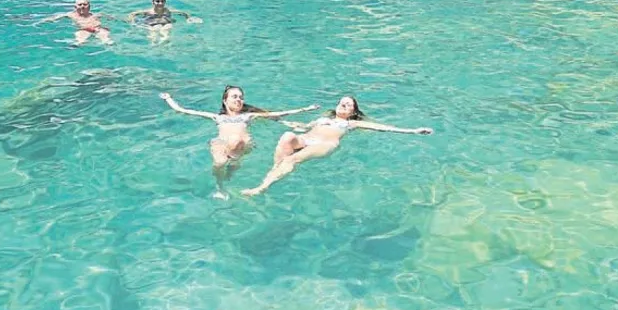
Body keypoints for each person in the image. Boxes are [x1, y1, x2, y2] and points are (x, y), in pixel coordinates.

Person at [241, 96, 432, 197]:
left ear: (352, 112)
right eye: (342, 102)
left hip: (325, 144)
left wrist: (413, 131)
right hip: (306, 138)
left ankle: (262, 187)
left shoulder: (351, 123)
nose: (344, 104)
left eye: (348, 105)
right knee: (287, 136)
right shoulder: (322, 119)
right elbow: (302, 127)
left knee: (292, 159)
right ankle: (274, 173)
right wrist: (281, 121)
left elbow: (381, 127)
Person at [159, 87, 318, 199]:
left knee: (238, 142)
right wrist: (168, 99)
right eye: (234, 97)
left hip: (241, 145)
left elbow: (276, 114)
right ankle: (220, 188)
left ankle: (231, 170)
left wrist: (305, 109)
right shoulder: (217, 117)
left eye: (241, 97)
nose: (239, 100)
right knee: (220, 163)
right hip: (221, 143)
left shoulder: (248, 116)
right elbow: (184, 110)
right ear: (225, 100)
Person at [127, 0, 202, 44]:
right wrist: (132, 22)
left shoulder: (168, 11)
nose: (160, 3)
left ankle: (165, 43)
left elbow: (183, 13)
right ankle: (154, 44)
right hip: (151, 25)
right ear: (153, 2)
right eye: (157, 1)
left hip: (166, 24)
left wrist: (188, 19)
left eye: (162, 1)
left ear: (165, 2)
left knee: (168, 27)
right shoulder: (149, 12)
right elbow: (132, 14)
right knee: (154, 32)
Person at [39, 0, 113, 45]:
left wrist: (115, 18)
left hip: (98, 29)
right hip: (84, 30)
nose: (82, 6)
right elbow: (57, 17)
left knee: (108, 41)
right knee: (79, 42)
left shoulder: (95, 15)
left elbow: (109, 17)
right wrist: (45, 20)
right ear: (75, 7)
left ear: (89, 6)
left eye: (85, 4)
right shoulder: (71, 15)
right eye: (80, 5)